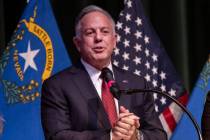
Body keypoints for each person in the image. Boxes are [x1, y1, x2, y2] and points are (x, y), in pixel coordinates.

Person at [41, 5, 167, 140]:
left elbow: (158, 135)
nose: (98, 38)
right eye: (90, 32)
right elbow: (57, 136)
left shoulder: (137, 83)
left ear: (114, 40)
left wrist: (136, 135)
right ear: (77, 43)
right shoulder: (58, 85)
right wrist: (111, 136)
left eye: (105, 31)